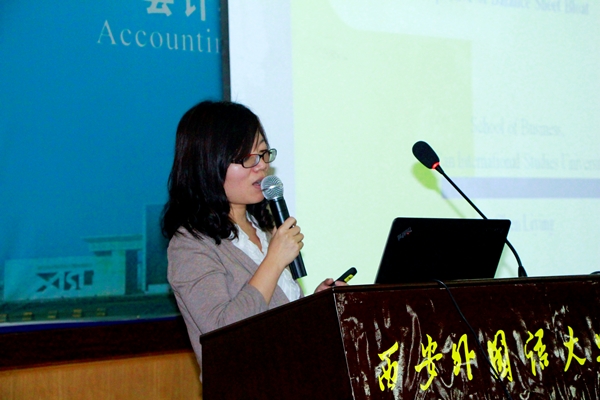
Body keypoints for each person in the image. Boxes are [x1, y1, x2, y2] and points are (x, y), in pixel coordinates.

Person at [161, 100, 339, 375]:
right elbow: (222, 333)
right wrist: (274, 261)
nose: (261, 166)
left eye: (264, 153)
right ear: (209, 163)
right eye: (247, 157)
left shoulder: (265, 230)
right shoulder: (190, 245)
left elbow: (279, 326)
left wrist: (316, 306)